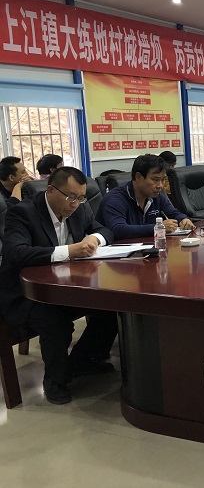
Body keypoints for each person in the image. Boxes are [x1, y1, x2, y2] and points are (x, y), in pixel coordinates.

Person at [0, 167, 118, 404]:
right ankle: (55, 380)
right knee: (55, 321)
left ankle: (82, 361)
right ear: (50, 190)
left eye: (81, 197)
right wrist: (68, 251)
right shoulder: (23, 213)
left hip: (64, 285)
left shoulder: (79, 209)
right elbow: (16, 253)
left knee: (111, 306)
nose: (75, 203)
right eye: (71, 196)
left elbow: (104, 230)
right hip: (26, 293)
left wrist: (95, 238)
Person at [97, 154, 194, 240]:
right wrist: (158, 227)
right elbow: (118, 229)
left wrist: (184, 220)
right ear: (138, 177)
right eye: (155, 179)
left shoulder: (156, 196)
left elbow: (174, 213)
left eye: (163, 180)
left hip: (147, 248)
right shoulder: (115, 199)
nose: (160, 185)